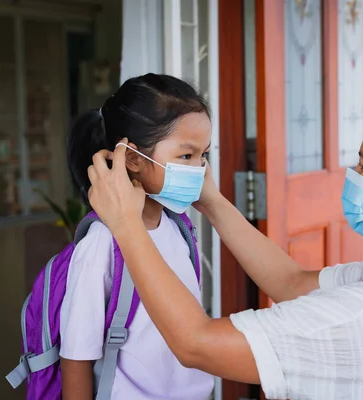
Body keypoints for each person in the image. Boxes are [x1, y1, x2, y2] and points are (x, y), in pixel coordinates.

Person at [86, 98, 363, 399]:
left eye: (362, 166)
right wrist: (211, 200)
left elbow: (196, 343)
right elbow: (290, 281)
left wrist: (125, 223)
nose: (351, 174)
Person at [61, 73, 214, 399]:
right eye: (186, 156)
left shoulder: (180, 229)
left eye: (205, 155)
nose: (200, 169)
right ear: (132, 158)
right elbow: (76, 358)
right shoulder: (102, 243)